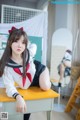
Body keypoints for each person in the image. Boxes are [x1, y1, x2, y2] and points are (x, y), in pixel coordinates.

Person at [0, 26, 51, 120]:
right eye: (16, 41)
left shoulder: (28, 52)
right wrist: (18, 97)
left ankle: (46, 76)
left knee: (45, 86)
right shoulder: (7, 66)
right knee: (24, 101)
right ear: (9, 42)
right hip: (26, 84)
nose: (20, 45)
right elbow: (9, 86)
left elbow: (34, 46)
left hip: (38, 72)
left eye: (23, 42)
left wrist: (27, 44)